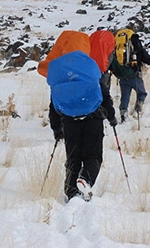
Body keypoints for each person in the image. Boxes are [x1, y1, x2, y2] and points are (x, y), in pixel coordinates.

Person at [39, 30, 117, 202]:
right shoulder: (89, 65)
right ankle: (86, 179)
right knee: (93, 156)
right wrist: (111, 116)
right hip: (93, 117)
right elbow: (103, 93)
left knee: (73, 157)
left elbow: (54, 102)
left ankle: (71, 191)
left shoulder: (58, 70)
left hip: (69, 120)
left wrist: (56, 128)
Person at [109, 28, 150, 121]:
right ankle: (137, 111)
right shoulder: (135, 43)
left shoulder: (118, 44)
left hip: (122, 75)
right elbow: (148, 59)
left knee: (125, 96)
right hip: (134, 74)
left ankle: (123, 113)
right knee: (142, 93)